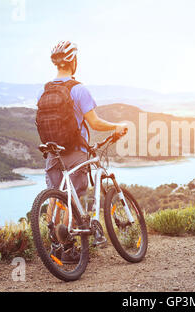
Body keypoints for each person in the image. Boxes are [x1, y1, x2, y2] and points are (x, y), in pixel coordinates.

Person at [37, 40, 127, 263]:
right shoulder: (79, 89)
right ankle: (68, 248)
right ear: (73, 61)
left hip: (52, 152)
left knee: (56, 198)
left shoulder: (45, 89)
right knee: (74, 199)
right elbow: (94, 123)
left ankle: (54, 244)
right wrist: (116, 126)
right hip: (75, 150)